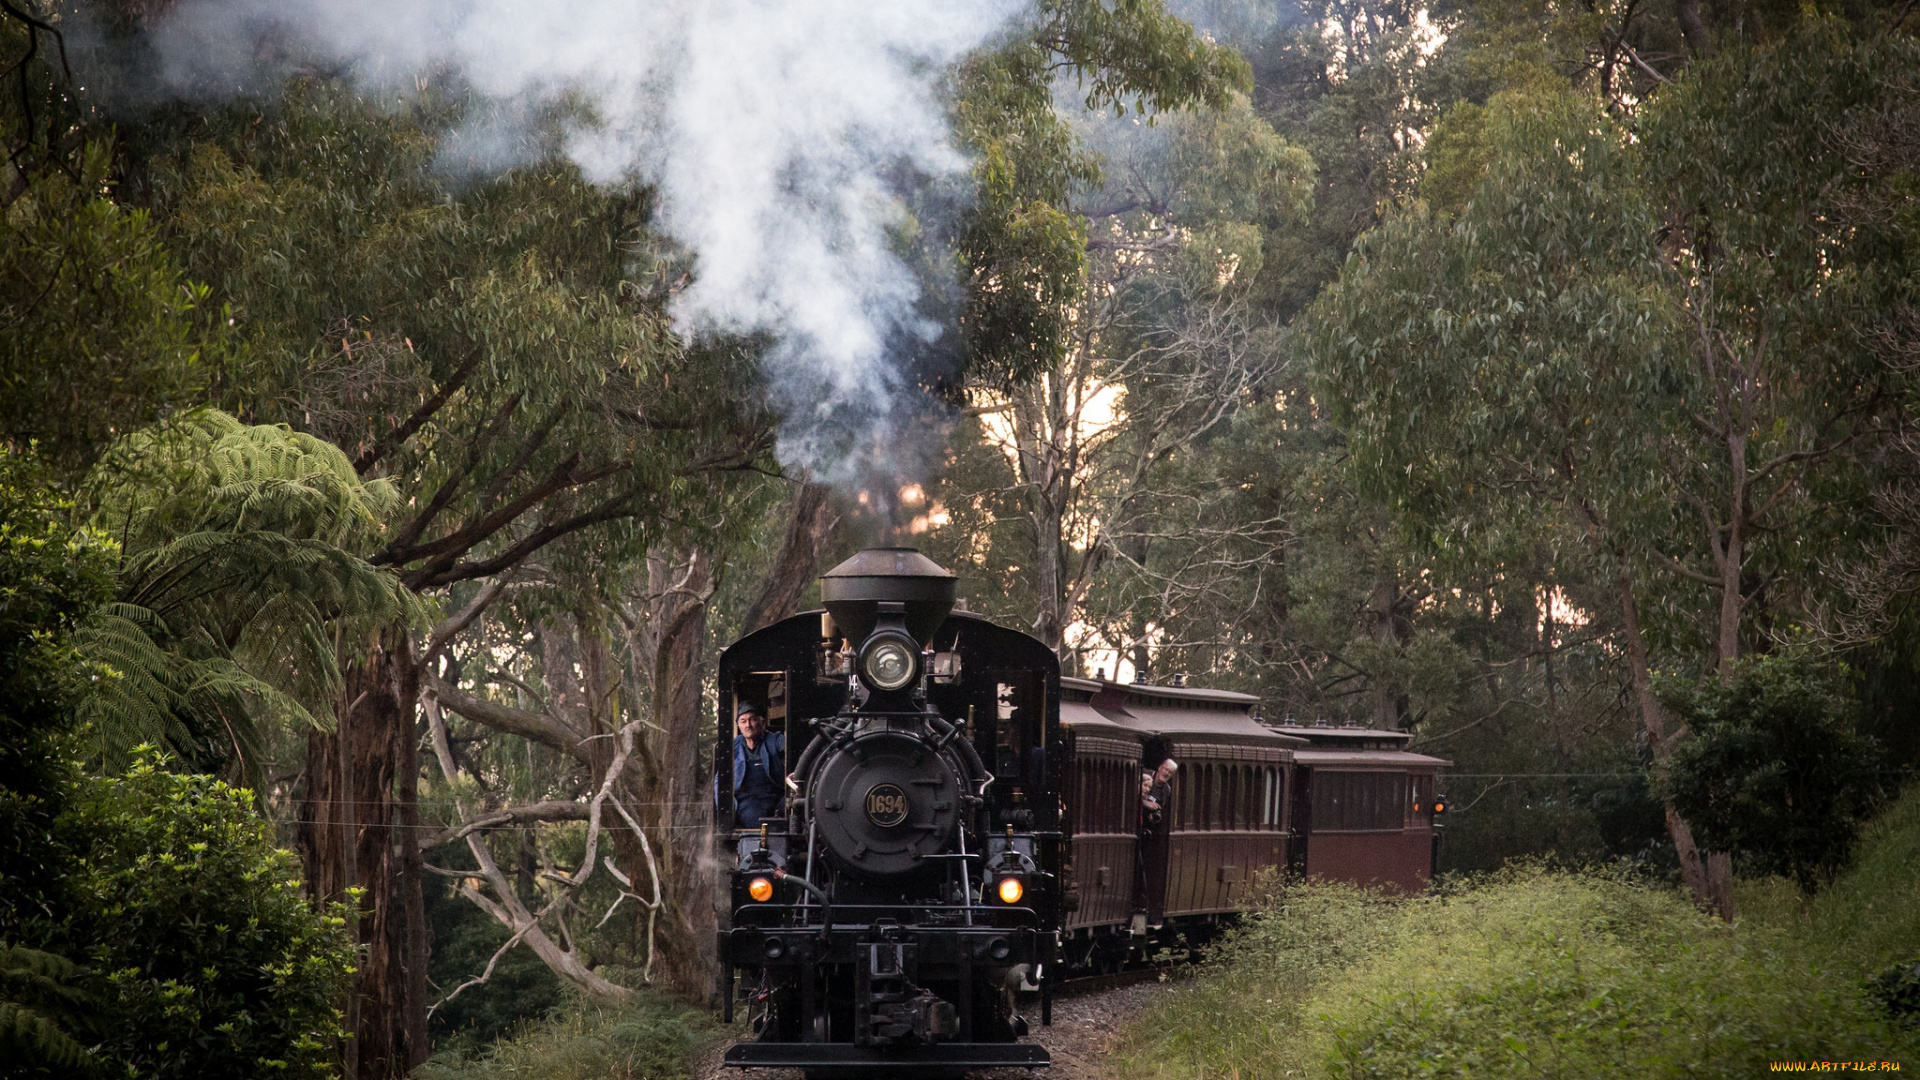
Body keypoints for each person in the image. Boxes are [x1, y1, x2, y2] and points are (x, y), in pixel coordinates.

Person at [731, 702, 785, 829]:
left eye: (752, 720)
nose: (748, 725)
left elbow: (787, 747)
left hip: (775, 798)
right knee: (756, 822)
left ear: (762, 722)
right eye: (743, 721)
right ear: (738, 725)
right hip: (748, 801)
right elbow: (720, 778)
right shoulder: (733, 746)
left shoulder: (775, 739)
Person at [1141, 757, 1178, 829]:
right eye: (1166, 769)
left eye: (1170, 772)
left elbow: (1159, 807)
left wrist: (1154, 815)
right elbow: (1130, 795)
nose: (1167, 773)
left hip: (1145, 822)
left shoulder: (1166, 789)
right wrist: (1145, 803)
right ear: (1160, 767)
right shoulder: (1144, 773)